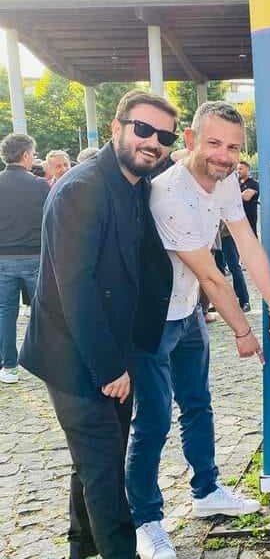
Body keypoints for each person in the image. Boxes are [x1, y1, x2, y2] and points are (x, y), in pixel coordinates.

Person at [127, 101, 270, 559]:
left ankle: (206, 491)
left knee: (198, 405)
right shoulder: (168, 193)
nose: (224, 155)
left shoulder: (223, 182)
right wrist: (243, 332)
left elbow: (248, 244)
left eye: (234, 147)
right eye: (214, 143)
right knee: (153, 420)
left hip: (188, 315)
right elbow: (212, 276)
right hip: (152, 320)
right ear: (190, 140)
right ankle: (145, 520)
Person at [19, 90, 179, 559]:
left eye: (164, 136)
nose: (153, 141)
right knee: (106, 471)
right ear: (117, 127)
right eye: (143, 129)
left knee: (94, 461)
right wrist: (110, 368)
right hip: (74, 357)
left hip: (113, 349)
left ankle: (80, 548)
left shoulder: (135, 184)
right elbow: (76, 289)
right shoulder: (82, 188)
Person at [0, 133, 48, 384]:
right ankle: (46, 364)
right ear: (26, 155)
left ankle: (9, 366)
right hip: (34, 256)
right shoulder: (40, 185)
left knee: (5, 313)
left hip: (3, 258)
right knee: (43, 312)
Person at [238, 160, 259, 236]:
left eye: (240, 169)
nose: (238, 171)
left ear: (247, 169)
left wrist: (234, 195)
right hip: (238, 219)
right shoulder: (236, 183)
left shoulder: (253, 183)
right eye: (237, 169)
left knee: (252, 239)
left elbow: (246, 197)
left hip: (249, 220)